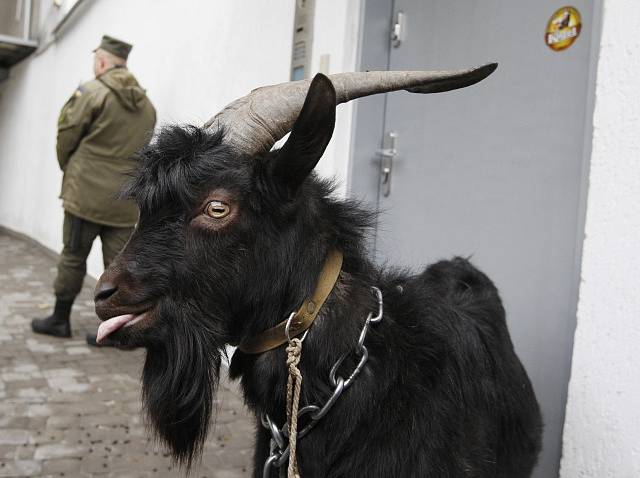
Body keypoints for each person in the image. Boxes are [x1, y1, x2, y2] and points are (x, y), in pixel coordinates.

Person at [31, 35, 156, 346]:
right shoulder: (146, 105)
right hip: (124, 201)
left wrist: (71, 169)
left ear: (102, 62)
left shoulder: (91, 92)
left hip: (84, 197)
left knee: (74, 255)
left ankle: (59, 319)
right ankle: (117, 332)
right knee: (121, 267)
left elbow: (66, 137)